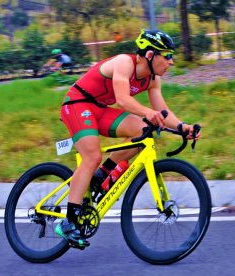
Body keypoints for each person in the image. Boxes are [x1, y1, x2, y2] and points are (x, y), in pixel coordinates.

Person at [56, 29, 201, 248]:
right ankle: (69, 222)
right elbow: (123, 100)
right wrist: (148, 112)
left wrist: (183, 127)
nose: (171, 62)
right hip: (77, 104)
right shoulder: (125, 62)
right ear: (150, 55)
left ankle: (101, 175)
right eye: (168, 55)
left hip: (100, 109)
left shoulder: (153, 78)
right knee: (92, 156)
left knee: (142, 130)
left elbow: (162, 110)